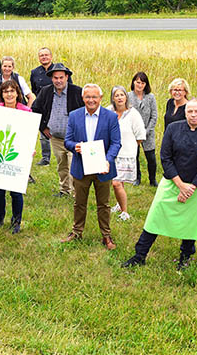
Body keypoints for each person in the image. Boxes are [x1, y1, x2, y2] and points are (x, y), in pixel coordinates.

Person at [121, 98, 197, 270]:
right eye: (190, 111)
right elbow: (165, 157)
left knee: (191, 224)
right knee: (155, 218)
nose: (193, 115)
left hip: (196, 188)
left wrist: (191, 188)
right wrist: (180, 184)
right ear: (185, 112)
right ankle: (140, 255)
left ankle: (186, 256)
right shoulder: (173, 129)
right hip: (172, 182)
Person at [61, 84, 121, 250]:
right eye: (88, 97)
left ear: (100, 98)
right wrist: (75, 147)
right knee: (79, 202)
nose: (91, 100)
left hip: (103, 168)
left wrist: (108, 160)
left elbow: (116, 142)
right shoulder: (74, 116)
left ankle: (106, 235)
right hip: (81, 166)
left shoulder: (111, 117)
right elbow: (68, 140)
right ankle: (77, 232)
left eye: (94, 97)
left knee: (104, 204)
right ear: (83, 98)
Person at [31, 63, 83, 198]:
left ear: (67, 77)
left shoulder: (77, 91)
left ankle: (78, 192)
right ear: (52, 79)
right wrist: (43, 127)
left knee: (75, 165)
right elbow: (35, 109)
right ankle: (65, 190)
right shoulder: (46, 92)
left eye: (61, 77)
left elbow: (86, 112)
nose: (58, 81)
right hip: (56, 137)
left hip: (74, 138)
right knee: (62, 165)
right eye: (55, 78)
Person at [0, 80, 32, 234]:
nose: (9, 94)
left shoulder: (26, 111)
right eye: (6, 91)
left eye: (12, 91)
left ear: (18, 93)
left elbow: (29, 135)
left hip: (18, 154)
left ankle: (16, 221)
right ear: (2, 94)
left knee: (16, 191)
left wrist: (29, 149)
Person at [108, 86, 146, 221]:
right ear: (113, 98)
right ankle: (119, 205)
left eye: (122, 95)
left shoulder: (133, 113)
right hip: (111, 153)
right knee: (118, 183)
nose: (119, 98)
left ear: (126, 97)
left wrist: (131, 147)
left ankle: (125, 212)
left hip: (126, 154)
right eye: (116, 95)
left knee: (116, 183)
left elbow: (140, 135)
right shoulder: (108, 111)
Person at [30, 48, 73, 166]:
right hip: (44, 105)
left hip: (61, 106)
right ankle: (45, 157)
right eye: (41, 55)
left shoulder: (60, 69)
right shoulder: (35, 72)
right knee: (44, 136)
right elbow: (34, 89)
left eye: (46, 55)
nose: (44, 57)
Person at [128, 72, 158, 187]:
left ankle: (152, 179)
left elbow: (154, 116)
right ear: (134, 82)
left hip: (148, 131)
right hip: (133, 133)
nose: (140, 85)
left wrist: (147, 131)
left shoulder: (150, 97)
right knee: (134, 156)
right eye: (138, 82)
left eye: (142, 83)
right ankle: (136, 178)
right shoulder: (128, 96)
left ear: (146, 84)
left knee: (151, 157)